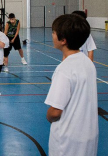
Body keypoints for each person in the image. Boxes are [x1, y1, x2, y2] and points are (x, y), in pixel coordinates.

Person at [45, 14, 98, 156]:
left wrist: (48, 116)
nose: (52, 35)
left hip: (67, 142)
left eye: (54, 33)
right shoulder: (88, 63)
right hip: (88, 137)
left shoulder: (64, 70)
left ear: (63, 40)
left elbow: (55, 111)